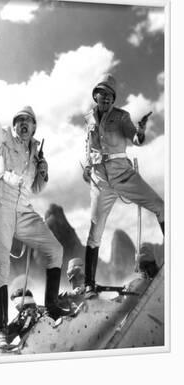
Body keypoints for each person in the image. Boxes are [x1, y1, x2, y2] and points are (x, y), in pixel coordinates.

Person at [0, 95, 70, 347]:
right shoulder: (4, 140)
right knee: (1, 270)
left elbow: (35, 189)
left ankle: (52, 307)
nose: (24, 124)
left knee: (55, 249)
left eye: (28, 121)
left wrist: (43, 172)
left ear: (35, 127)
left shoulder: (35, 151)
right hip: (0, 203)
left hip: (24, 208)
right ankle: (2, 331)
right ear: (14, 125)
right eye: (20, 120)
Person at [82, 74, 164, 299]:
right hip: (100, 181)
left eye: (111, 95)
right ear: (95, 95)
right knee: (94, 233)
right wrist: (87, 167)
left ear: (114, 99)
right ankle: (89, 284)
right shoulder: (88, 118)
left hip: (123, 174)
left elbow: (136, 140)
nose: (107, 98)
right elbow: (88, 145)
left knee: (161, 206)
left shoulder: (122, 117)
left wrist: (141, 131)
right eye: (103, 94)